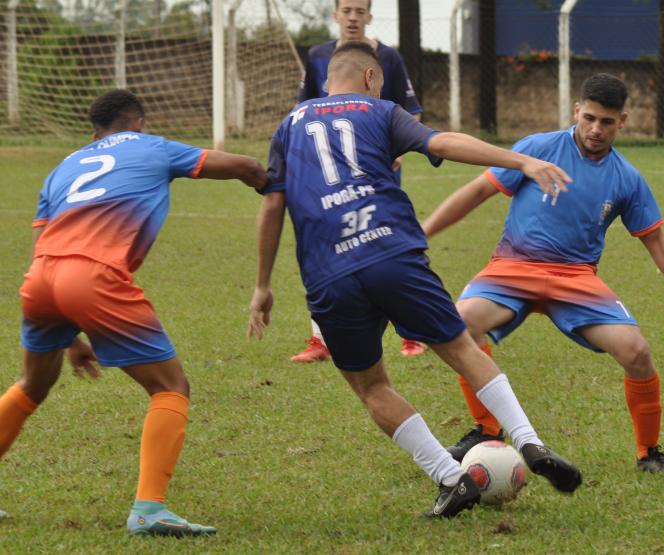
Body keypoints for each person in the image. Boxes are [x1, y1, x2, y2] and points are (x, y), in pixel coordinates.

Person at [247, 42, 582, 517]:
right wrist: (521, 161)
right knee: (463, 350)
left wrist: (262, 284)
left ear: (326, 81)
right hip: (391, 253)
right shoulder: (379, 109)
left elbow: (273, 204)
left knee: (371, 386)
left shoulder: (290, 124)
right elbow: (441, 142)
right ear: (369, 77)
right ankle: (529, 441)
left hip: (330, 273)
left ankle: (450, 476)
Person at [0, 90, 268, 535]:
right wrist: (269, 183)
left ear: (94, 133)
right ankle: (149, 509)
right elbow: (242, 166)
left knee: (34, 382)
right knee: (171, 386)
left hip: (42, 278)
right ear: (139, 124)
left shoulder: (63, 166)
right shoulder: (151, 145)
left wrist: (68, 334)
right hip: (94, 276)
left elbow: (39, 250)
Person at [422, 73, 664, 474]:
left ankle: (650, 453)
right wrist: (423, 233)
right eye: (589, 118)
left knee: (638, 352)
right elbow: (477, 191)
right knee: (459, 325)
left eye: (606, 122)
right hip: (513, 268)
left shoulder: (626, 178)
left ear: (622, 121)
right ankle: (486, 431)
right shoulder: (537, 149)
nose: (595, 129)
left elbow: (656, 239)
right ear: (576, 110)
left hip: (576, 279)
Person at [292, 0, 426, 362]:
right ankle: (321, 339)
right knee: (322, 248)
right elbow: (301, 109)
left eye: (359, 10)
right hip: (327, 178)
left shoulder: (388, 58)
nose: (352, 17)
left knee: (388, 247)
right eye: (346, 10)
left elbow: (410, 111)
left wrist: (395, 148)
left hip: (376, 173)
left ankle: (411, 333)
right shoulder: (319, 55)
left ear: (369, 16)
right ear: (335, 14)